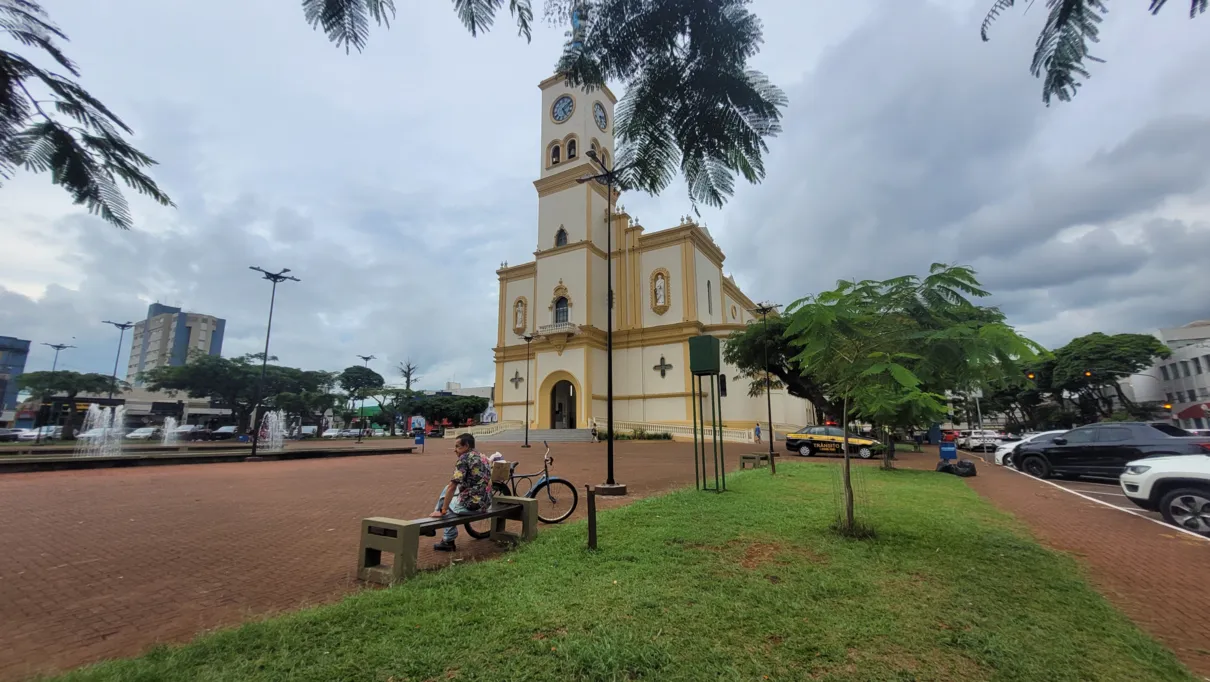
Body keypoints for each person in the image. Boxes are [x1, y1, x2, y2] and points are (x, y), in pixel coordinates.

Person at [429, 433, 493, 552]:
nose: (455, 450)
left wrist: (443, 509)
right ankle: (437, 513)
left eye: (457, 446)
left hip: (473, 504)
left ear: (466, 446)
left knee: (447, 504)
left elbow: (453, 485)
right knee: (446, 490)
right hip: (486, 501)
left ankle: (448, 540)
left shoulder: (464, 459)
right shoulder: (482, 456)